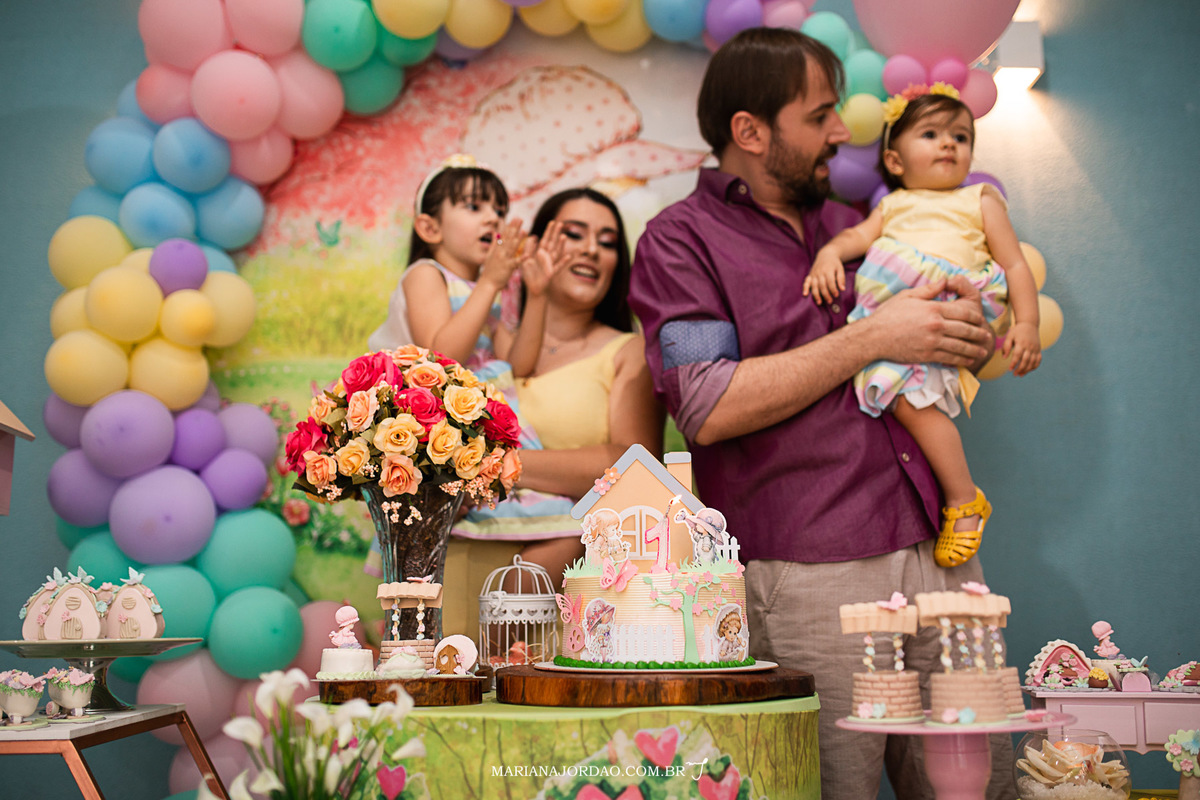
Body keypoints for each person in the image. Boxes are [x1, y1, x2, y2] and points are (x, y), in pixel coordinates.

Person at [628, 27, 1015, 800]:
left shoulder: (858, 227)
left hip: (943, 546)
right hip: (814, 568)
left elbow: (949, 342)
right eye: (819, 115)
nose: (843, 130)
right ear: (749, 131)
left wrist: (967, 326)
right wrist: (875, 336)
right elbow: (707, 402)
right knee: (834, 789)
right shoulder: (681, 244)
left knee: (986, 786)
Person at [802, 87, 1042, 569]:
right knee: (893, 403)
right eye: (930, 134)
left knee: (911, 404)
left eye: (961, 136)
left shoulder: (980, 199)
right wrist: (828, 253)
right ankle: (949, 497)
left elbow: (1015, 264)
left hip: (946, 306)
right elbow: (855, 238)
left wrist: (1028, 323)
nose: (949, 144)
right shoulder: (893, 206)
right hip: (892, 321)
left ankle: (964, 499)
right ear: (894, 159)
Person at [456, 187, 665, 586]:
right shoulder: (488, 341)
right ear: (533, 248)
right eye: (573, 233)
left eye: (607, 242)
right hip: (456, 563)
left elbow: (634, 465)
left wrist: (490, 466)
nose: (591, 249)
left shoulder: (629, 352)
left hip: (549, 586)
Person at [367, 154, 567, 381]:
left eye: (500, 212)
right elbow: (440, 360)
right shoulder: (425, 274)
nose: (493, 218)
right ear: (430, 229)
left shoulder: (486, 288)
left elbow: (518, 367)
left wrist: (537, 294)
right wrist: (489, 283)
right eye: (473, 207)